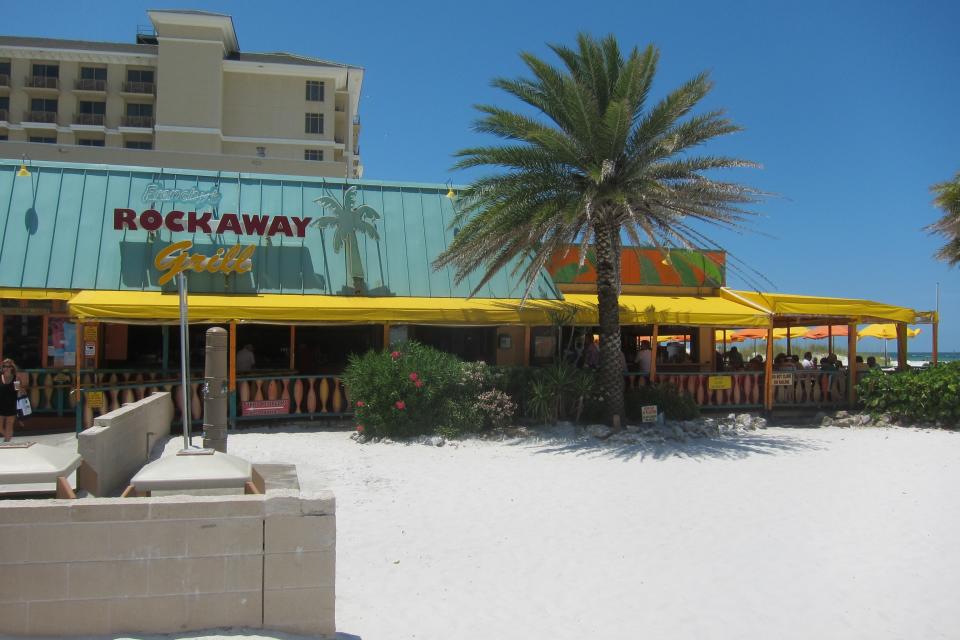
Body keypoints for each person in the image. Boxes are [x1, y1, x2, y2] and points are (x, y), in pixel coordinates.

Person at [1, 359, 20, 442]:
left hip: (11, 404)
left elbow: (18, 391)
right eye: (4, 366)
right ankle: (7, 437)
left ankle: (7, 441)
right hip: (0, 404)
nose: (6, 368)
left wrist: (19, 405)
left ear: (12, 368)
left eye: (9, 366)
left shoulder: (15, 378)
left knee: (9, 424)